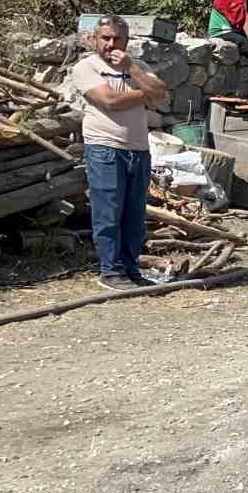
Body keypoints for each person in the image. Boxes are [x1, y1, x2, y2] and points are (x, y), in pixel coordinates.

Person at [73, 15, 169, 291]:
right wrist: (147, 94)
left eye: (117, 38)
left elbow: (161, 92)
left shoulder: (138, 66)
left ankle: (130, 268)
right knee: (108, 211)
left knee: (134, 214)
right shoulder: (86, 68)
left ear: (126, 41)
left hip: (138, 148)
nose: (111, 43)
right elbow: (111, 101)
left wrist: (135, 73)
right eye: (105, 38)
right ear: (95, 39)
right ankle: (110, 271)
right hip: (105, 147)